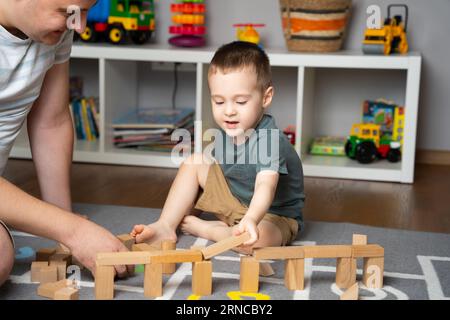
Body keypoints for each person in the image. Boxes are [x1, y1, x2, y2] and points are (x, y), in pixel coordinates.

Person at [0, 0, 133, 287]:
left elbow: (51, 121)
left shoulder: (55, 33)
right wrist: (73, 230)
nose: (80, 26)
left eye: (86, 11)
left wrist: (61, 223)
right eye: (68, 12)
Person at [131, 41, 305, 253]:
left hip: (273, 215)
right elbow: (219, 175)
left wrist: (250, 218)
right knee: (194, 162)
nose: (229, 111)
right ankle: (165, 226)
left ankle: (212, 231)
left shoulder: (269, 139)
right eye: (219, 102)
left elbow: (264, 187)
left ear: (266, 97)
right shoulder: (228, 128)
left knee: (256, 241)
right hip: (235, 203)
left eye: (240, 102)